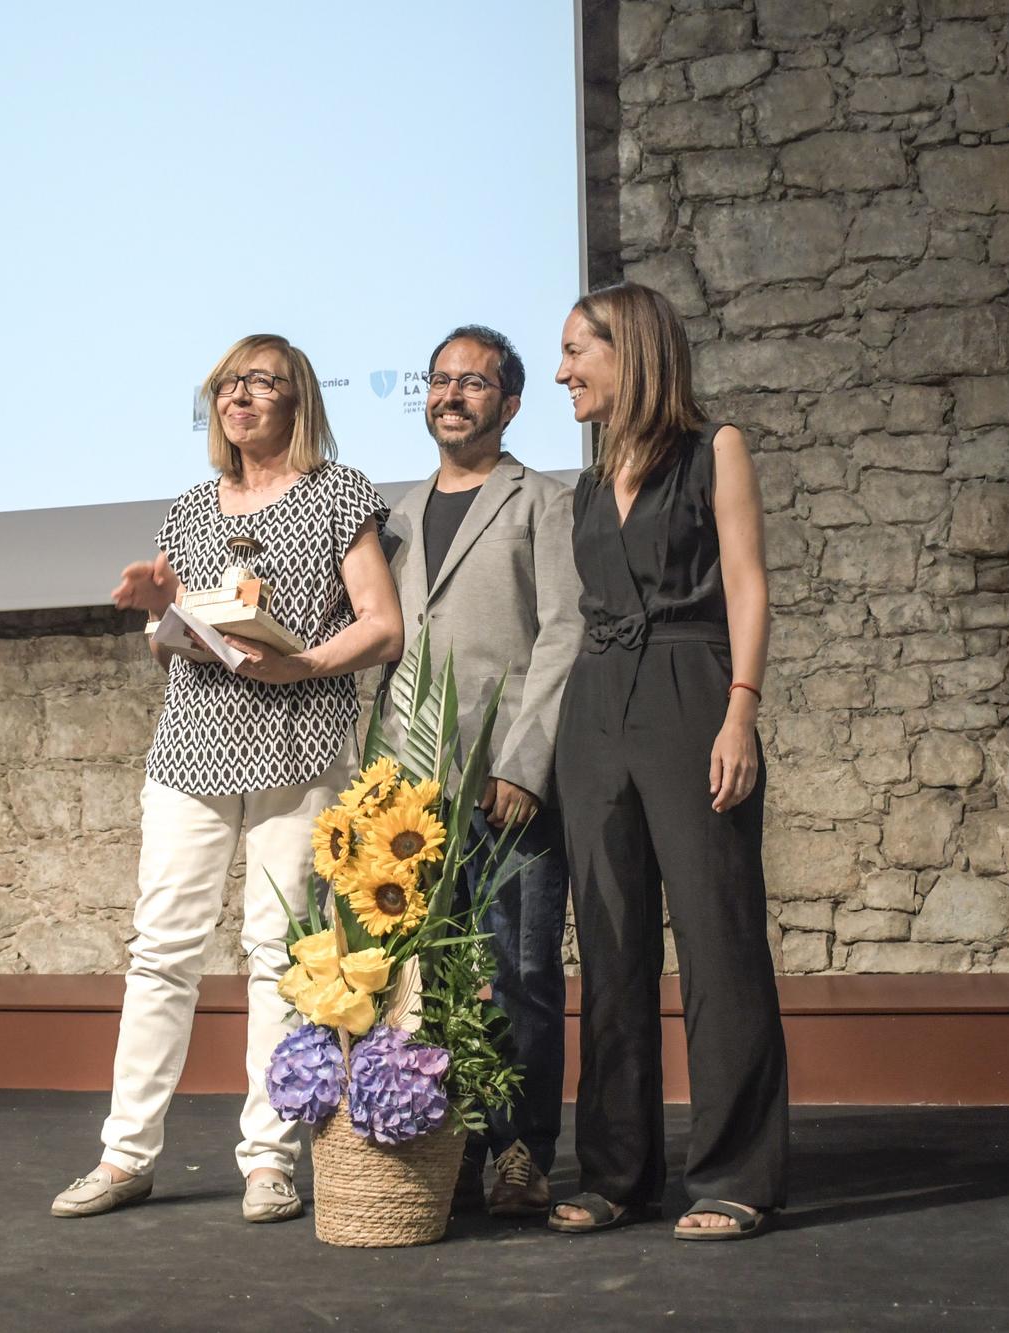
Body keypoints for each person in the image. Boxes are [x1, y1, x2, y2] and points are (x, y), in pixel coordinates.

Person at [52, 334, 400, 1221]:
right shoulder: (189, 509)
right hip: (195, 743)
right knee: (161, 950)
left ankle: (269, 1159)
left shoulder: (338, 492)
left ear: (297, 399)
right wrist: (159, 606)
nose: (238, 398)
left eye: (259, 383)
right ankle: (126, 1154)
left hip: (299, 737)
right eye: (226, 385)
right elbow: (186, 630)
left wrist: (307, 661)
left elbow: (382, 625)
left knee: (279, 955)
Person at [546, 283, 787, 1241]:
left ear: (629, 349)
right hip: (596, 701)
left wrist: (742, 713)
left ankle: (735, 1173)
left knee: (718, 940)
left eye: (575, 351)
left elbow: (748, 585)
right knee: (610, 949)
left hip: (695, 690)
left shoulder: (712, 450)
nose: (562, 370)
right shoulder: (586, 481)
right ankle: (617, 1173)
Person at [379, 324, 583, 1217]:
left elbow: (564, 635)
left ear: (509, 401)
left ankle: (522, 1151)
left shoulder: (544, 501)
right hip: (411, 791)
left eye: (473, 381)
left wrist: (523, 763)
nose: (451, 393)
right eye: (439, 379)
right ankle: (451, 1144)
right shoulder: (390, 516)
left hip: (505, 786)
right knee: (431, 979)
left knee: (522, 970)